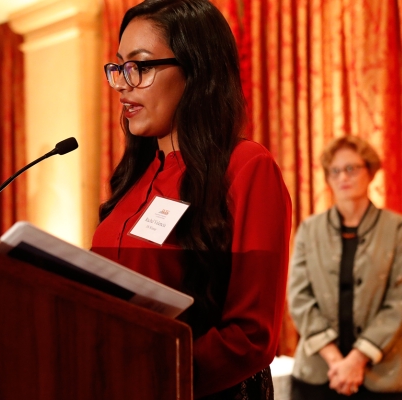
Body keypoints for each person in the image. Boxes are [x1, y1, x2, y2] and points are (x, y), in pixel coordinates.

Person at [91, 0, 292, 398]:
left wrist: (154, 375)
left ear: (196, 71)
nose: (123, 84)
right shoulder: (136, 178)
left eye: (141, 67)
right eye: (118, 67)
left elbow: (251, 336)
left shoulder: (246, 168)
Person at [288, 135, 402, 399]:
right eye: (335, 171)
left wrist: (357, 360)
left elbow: (399, 302)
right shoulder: (309, 230)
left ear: (370, 171)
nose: (343, 177)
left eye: (351, 168)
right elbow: (298, 297)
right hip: (318, 375)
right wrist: (337, 362)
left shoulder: (396, 229)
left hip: (382, 376)